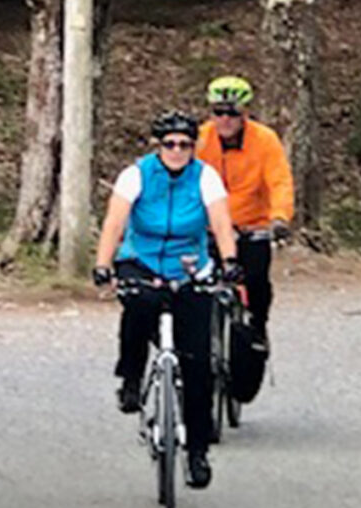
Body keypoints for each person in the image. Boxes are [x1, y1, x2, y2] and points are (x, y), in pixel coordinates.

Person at [93, 111, 242, 490]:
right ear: (158, 147)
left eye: (185, 144)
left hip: (190, 267)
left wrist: (229, 262)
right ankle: (129, 375)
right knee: (137, 306)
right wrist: (102, 264)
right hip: (140, 260)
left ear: (194, 147)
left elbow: (221, 222)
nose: (177, 151)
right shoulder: (137, 174)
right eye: (170, 144)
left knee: (199, 368)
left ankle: (196, 454)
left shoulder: (205, 176)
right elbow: (115, 222)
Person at [196, 75, 294, 344]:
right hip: (209, 226)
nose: (224, 120)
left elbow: (279, 181)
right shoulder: (199, 140)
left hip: (252, 225)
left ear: (245, 114)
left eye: (232, 113)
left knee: (257, 280)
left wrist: (279, 218)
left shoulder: (265, 140)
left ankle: (258, 326)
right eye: (218, 113)